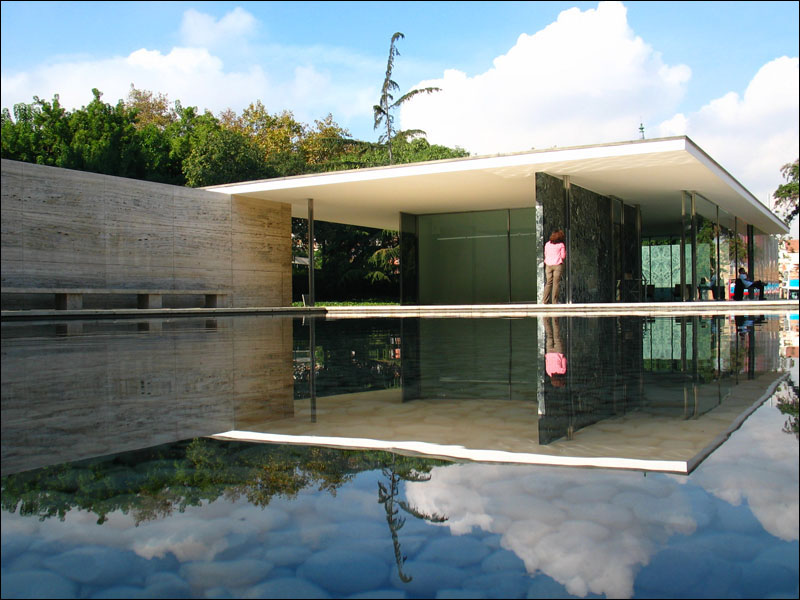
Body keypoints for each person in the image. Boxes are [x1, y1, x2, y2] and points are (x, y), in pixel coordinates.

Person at [542, 230, 566, 304]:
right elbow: (563, 256)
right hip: (557, 265)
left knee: (549, 283)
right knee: (556, 283)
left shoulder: (547, 244)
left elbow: (545, 254)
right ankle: (554, 302)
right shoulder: (561, 245)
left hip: (548, 265)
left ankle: (545, 301)